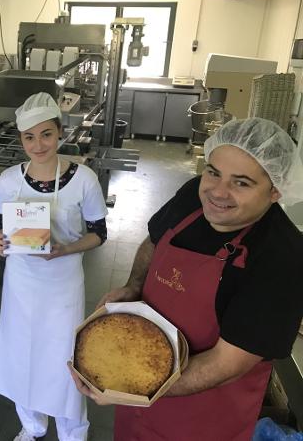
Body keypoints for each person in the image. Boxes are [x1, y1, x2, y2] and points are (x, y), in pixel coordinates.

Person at [69, 117, 303, 441]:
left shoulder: (282, 258)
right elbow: (154, 240)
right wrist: (134, 285)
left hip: (203, 419)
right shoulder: (194, 194)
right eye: (213, 172)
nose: (217, 192)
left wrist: (135, 386)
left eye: (242, 183)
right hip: (139, 393)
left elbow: (226, 365)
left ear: (275, 190)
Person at [0, 92, 109, 441]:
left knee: (64, 359)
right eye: (29, 137)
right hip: (20, 282)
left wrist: (66, 249)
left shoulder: (84, 178)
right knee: (21, 354)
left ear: (60, 132)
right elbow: (4, 229)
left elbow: (99, 234)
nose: (38, 144)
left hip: (62, 282)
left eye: (46, 134)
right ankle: (31, 425)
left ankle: (73, 432)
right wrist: (2, 243)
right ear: (21, 140)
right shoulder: (10, 179)